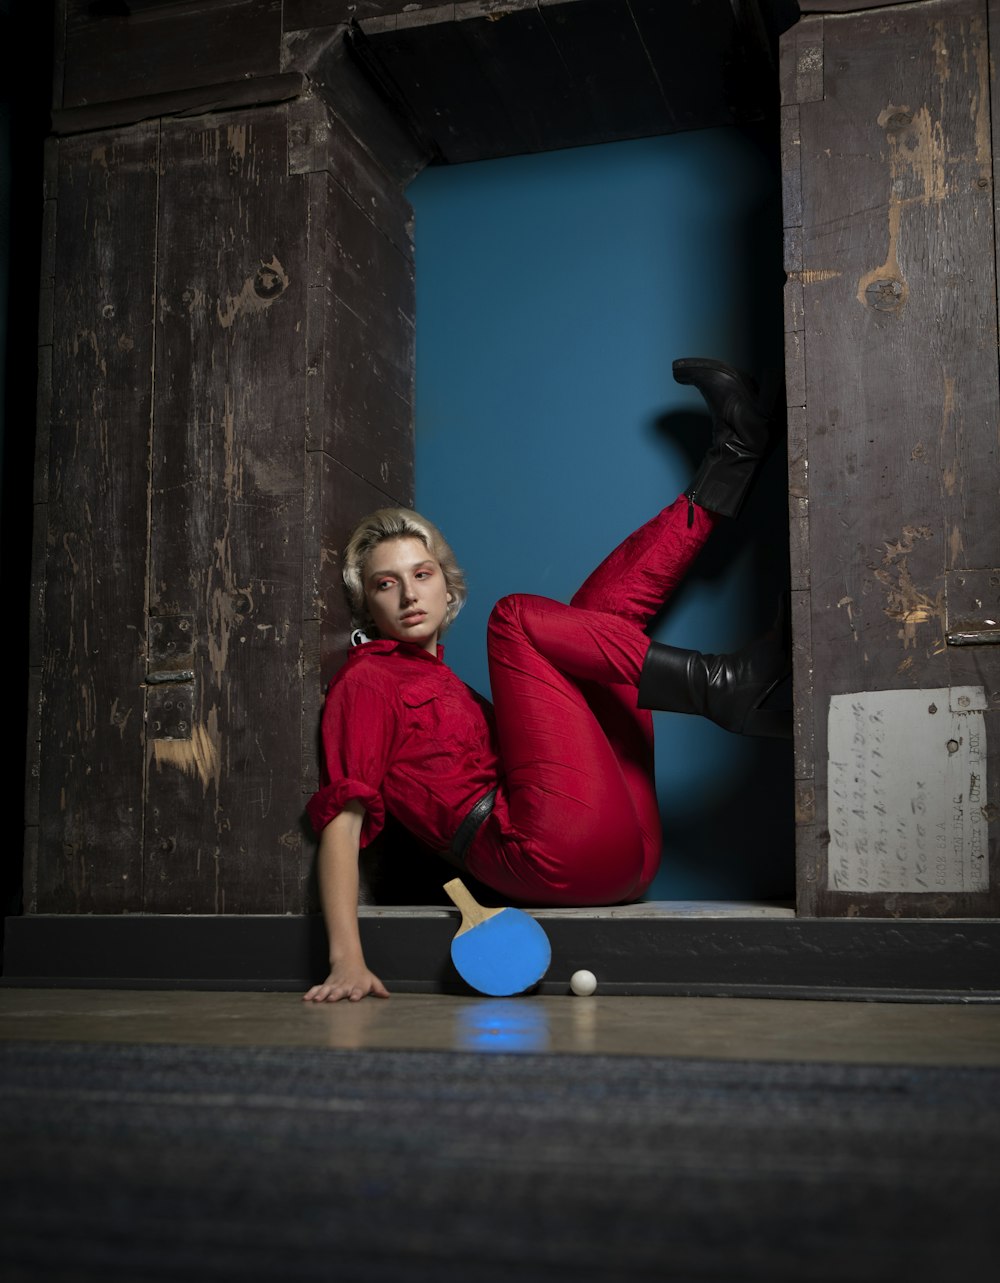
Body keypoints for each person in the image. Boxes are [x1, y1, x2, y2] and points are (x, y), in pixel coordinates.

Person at [303, 359, 789, 1002]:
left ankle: (734, 454)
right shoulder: (366, 683)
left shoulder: (443, 683)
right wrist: (345, 959)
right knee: (516, 621)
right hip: (543, 856)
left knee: (593, 629)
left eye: (422, 575)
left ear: (448, 589)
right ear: (369, 607)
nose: (407, 595)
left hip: (624, 849)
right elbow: (343, 820)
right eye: (385, 585)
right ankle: (725, 686)